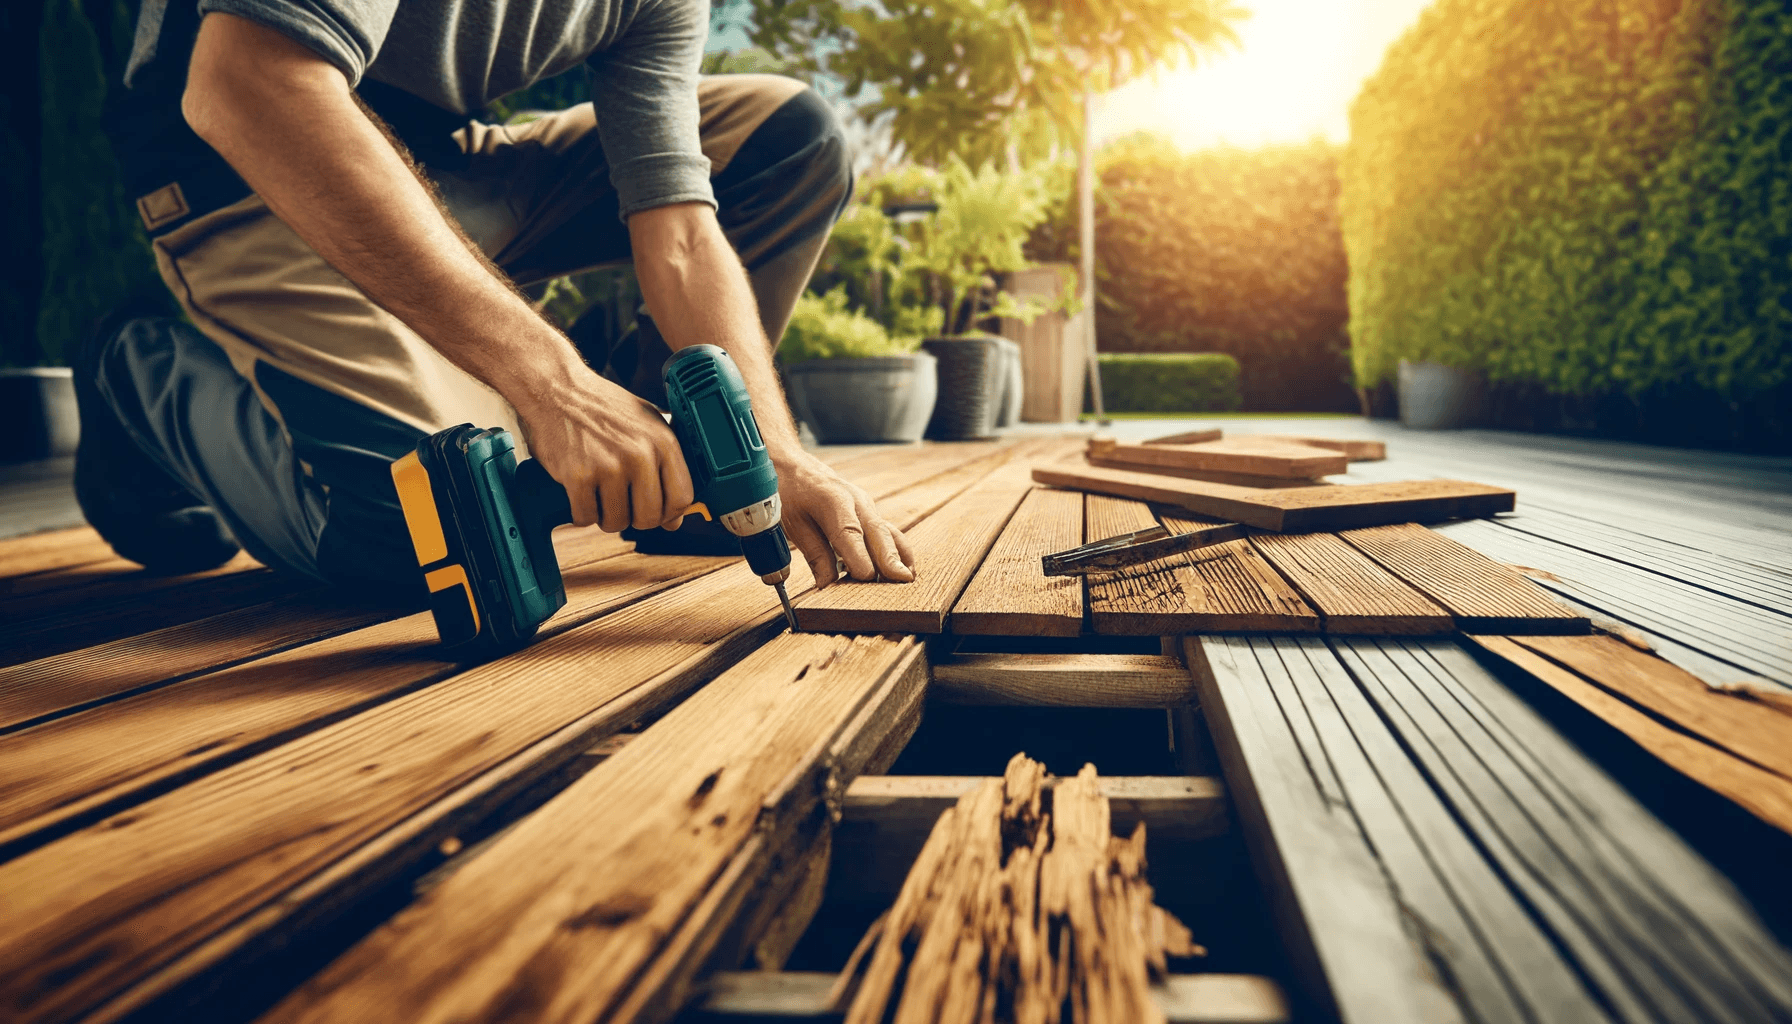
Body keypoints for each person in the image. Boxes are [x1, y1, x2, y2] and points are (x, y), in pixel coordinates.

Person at [78, 0, 915, 597]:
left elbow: (681, 232)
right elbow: (243, 86)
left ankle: (676, 475)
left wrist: (769, 449)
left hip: (428, 156)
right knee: (426, 524)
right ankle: (136, 363)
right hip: (244, 164)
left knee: (783, 133)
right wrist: (556, 383)